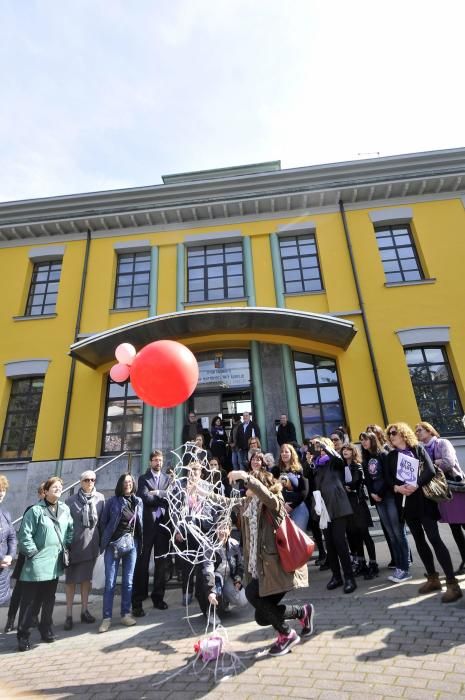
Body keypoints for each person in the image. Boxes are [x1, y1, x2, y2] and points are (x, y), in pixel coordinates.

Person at [227, 468, 313, 656]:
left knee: (251, 593)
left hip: (279, 569)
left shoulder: (274, 503)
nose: (245, 487)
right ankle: (302, 612)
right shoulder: (248, 504)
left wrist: (245, 476)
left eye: (249, 484)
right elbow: (227, 502)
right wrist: (199, 491)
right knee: (261, 616)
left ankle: (286, 634)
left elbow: (266, 495)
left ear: (259, 484)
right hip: (263, 571)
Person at [385, 422, 462, 603]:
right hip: (406, 503)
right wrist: (397, 488)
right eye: (389, 434)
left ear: (403, 434)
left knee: (434, 538)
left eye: (394, 432)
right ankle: (433, 579)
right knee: (419, 540)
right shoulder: (390, 456)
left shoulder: (418, 450)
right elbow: (387, 478)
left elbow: (430, 470)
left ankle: (452, 584)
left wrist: (415, 484)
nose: (391, 436)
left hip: (423, 501)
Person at [16, 476, 73, 652]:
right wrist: (33, 553)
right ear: (45, 491)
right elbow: (24, 535)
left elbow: (70, 529)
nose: (58, 488)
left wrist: (66, 546)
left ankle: (46, 630)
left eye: (60, 486)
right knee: (31, 602)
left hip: (55, 563)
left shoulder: (64, 509)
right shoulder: (35, 511)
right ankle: (23, 635)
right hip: (37, 564)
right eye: (54, 486)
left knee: (49, 600)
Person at [415, 421, 465, 574]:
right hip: (440, 493)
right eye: (416, 431)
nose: (417, 433)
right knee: (455, 529)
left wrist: (431, 466)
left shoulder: (442, 443)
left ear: (430, 431)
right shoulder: (421, 449)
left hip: (455, 489)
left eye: (420, 430)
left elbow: (448, 462)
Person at [359, 431, 410, 581]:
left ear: (373, 440)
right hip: (378, 499)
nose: (363, 442)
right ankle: (399, 568)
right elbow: (368, 480)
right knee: (391, 535)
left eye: (366, 439)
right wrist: (373, 494)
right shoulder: (366, 458)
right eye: (361, 440)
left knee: (398, 533)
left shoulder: (383, 455)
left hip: (389, 498)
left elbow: (389, 477)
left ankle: (405, 568)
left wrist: (380, 493)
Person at [311, 437, 356, 593]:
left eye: (322, 447)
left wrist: (323, 445)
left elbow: (338, 458)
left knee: (339, 541)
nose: (320, 449)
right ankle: (336, 576)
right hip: (323, 508)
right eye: (318, 448)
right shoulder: (316, 465)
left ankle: (349, 577)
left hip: (338, 506)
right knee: (329, 543)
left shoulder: (335, 461)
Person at [99, 473, 143, 632]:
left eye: (130, 482)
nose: (128, 484)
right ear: (120, 484)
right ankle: (106, 618)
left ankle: (125, 614)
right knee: (110, 582)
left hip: (131, 545)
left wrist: (139, 543)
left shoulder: (138, 502)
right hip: (113, 546)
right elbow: (103, 523)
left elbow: (140, 525)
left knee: (128, 582)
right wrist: (105, 541)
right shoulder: (112, 502)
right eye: (125, 482)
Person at [131, 451, 171, 617]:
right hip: (147, 527)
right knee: (143, 563)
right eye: (155, 460)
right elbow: (144, 497)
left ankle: (158, 598)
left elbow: (171, 497)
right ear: (150, 462)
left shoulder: (167, 479)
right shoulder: (143, 478)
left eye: (160, 460)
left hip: (162, 527)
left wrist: (159, 495)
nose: (158, 463)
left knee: (161, 564)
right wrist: (161, 497)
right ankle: (139, 599)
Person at [64, 471, 105, 630]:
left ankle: (84, 610)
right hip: (74, 546)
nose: (90, 483)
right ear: (81, 482)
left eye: (93, 480)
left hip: (92, 545)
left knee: (86, 580)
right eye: (86, 480)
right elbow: (65, 524)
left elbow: (102, 522)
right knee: (71, 581)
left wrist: (103, 543)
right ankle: (68, 614)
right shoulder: (70, 500)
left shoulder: (100, 498)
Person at [4, 483, 45, 634]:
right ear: (40, 494)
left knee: (38, 590)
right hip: (26, 557)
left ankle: (33, 616)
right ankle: (10, 619)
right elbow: (23, 534)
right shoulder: (31, 509)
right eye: (42, 492)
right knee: (19, 591)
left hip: (41, 558)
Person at [196, 521, 247, 621]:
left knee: (243, 599)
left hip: (228, 577)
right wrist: (210, 590)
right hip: (212, 579)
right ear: (215, 529)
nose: (222, 531)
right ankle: (211, 611)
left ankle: (224, 602)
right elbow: (208, 570)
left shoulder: (234, 544)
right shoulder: (209, 545)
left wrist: (237, 580)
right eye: (219, 527)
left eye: (225, 528)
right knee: (217, 582)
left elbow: (239, 566)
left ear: (229, 530)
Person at [341, 443, 378, 579]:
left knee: (365, 534)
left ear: (353, 452)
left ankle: (373, 564)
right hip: (347, 504)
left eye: (348, 449)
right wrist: (346, 486)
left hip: (358, 503)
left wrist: (348, 486)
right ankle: (362, 563)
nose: (345, 451)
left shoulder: (357, 465)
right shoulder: (342, 467)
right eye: (344, 449)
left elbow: (356, 481)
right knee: (355, 535)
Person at [276, 443, 309, 531]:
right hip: (281, 509)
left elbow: (304, 492)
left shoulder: (300, 470)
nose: (284, 454)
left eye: (286, 452)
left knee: (299, 538)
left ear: (292, 454)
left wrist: (292, 506)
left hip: (298, 507)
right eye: (282, 452)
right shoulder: (275, 470)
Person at [0, 475, 17, 609]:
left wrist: (10, 555)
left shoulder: (5, 513)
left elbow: (12, 537)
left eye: (3, 489)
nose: (1, 493)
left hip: (3, 571)